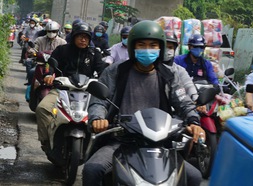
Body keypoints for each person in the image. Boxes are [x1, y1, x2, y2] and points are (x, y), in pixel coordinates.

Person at [84, 20, 204, 186]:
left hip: (161, 144)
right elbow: (99, 101)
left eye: (153, 45)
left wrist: (193, 121)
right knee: (92, 169)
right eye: (142, 45)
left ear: (160, 48)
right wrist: (98, 118)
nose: (147, 49)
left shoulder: (169, 75)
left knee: (194, 177)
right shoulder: (115, 71)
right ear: (133, 47)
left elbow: (184, 102)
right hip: (121, 141)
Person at [35, 22, 106, 151]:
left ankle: (95, 148)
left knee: (101, 115)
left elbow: (102, 72)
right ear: (74, 37)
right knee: (42, 108)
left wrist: (102, 83)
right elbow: (51, 65)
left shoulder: (95, 54)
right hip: (62, 89)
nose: (83, 39)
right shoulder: (62, 50)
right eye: (80, 36)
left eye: (86, 36)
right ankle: (46, 140)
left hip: (87, 92)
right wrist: (49, 75)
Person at [163, 31, 198, 102]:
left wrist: (194, 95)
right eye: (164, 47)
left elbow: (188, 84)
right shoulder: (153, 69)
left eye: (170, 47)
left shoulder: (178, 70)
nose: (167, 50)